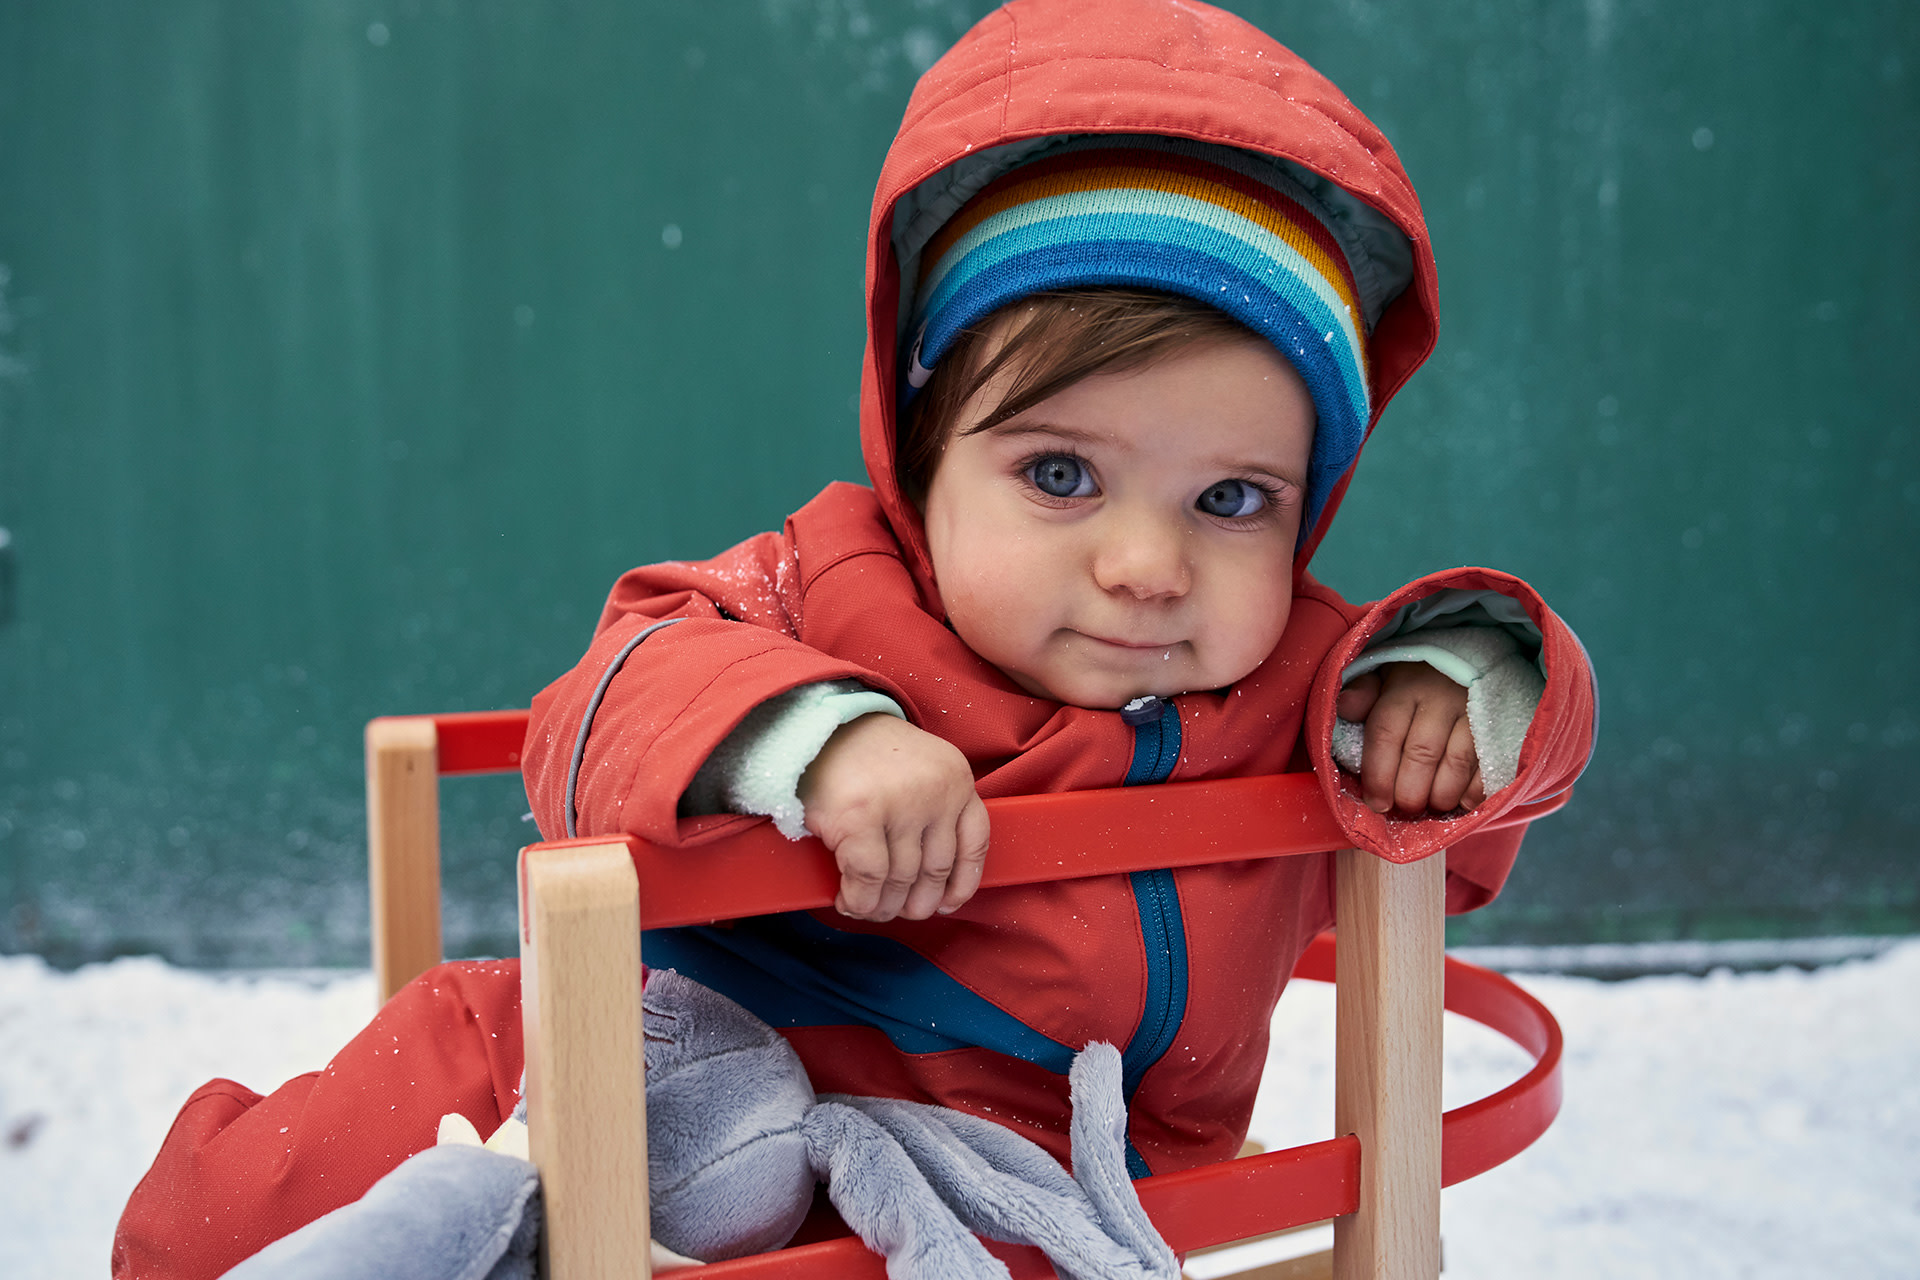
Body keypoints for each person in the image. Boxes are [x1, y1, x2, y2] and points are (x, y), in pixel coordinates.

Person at [113, 2, 1593, 1275]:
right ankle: (198, 1239)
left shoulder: (1301, 688)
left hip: (1015, 1183)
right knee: (464, 1062)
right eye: (1059, 476)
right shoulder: (825, 589)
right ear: (922, 456)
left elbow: (1462, 833)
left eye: (1232, 498)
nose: (1149, 567)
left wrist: (1466, 693)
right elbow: (609, 698)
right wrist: (818, 738)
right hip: (677, 1076)